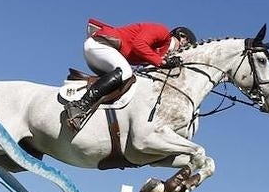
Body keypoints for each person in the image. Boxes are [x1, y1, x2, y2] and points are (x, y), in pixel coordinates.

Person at [65, 19, 196, 129]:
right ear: (182, 37)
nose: (182, 50)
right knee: (125, 72)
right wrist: (162, 62)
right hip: (100, 44)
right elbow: (139, 44)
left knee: (128, 81)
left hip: (104, 52)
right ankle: (79, 106)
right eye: (186, 45)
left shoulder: (159, 51)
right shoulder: (162, 32)